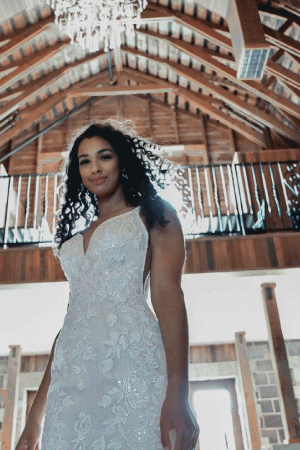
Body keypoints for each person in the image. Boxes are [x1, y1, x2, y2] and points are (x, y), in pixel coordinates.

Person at [15, 120, 199, 450]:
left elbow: (167, 295)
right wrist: (34, 419)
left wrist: (178, 394)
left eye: (104, 157)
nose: (95, 168)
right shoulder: (74, 240)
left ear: (122, 160)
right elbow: (70, 326)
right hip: (72, 382)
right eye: (84, 161)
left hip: (133, 366)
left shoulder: (154, 216)